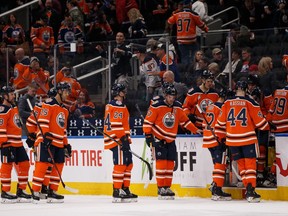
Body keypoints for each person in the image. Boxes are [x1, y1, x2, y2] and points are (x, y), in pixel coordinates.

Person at [215, 81, 270, 203]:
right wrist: (268, 125)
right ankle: (250, 190)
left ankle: (248, 188)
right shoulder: (250, 102)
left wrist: (221, 137)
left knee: (241, 165)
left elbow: (219, 124)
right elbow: (261, 123)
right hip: (247, 138)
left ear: (235, 90)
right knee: (250, 165)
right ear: (246, 90)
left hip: (232, 140)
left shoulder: (227, 103)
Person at [143, 86, 201, 199]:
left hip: (171, 140)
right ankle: (160, 188)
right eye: (170, 96)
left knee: (170, 165)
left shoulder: (178, 107)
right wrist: (148, 135)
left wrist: (195, 129)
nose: (172, 99)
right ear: (165, 96)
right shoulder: (156, 106)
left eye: (173, 97)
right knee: (161, 164)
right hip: (159, 139)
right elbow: (147, 122)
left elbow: (185, 121)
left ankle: (167, 186)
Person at [31, 82, 72, 203]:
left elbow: (63, 129)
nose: (67, 94)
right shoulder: (48, 104)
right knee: (42, 165)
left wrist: (66, 144)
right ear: (59, 91)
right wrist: (46, 136)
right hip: (46, 141)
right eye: (65, 92)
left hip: (59, 142)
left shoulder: (64, 110)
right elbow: (43, 121)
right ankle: (35, 191)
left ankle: (52, 191)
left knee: (58, 166)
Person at [103, 83, 137, 203]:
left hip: (122, 139)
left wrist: (126, 138)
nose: (125, 93)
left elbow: (124, 124)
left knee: (129, 164)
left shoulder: (120, 105)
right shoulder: (116, 105)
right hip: (117, 140)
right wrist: (122, 138)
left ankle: (125, 188)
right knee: (121, 164)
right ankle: (117, 190)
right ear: (118, 93)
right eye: (123, 91)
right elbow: (116, 124)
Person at [0, 86, 32, 203]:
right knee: (7, 165)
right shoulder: (3, 109)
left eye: (14, 93)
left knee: (25, 164)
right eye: (11, 94)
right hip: (8, 143)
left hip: (18, 142)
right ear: (5, 96)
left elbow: (17, 125)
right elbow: (1, 128)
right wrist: (4, 143)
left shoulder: (13, 108)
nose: (14, 96)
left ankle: (21, 190)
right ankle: (5, 191)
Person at [202, 88, 231, 201]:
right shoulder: (222, 108)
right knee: (220, 164)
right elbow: (222, 125)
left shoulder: (210, 106)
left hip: (208, 139)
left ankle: (215, 185)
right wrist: (224, 139)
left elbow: (204, 123)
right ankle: (217, 190)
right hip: (217, 139)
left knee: (217, 165)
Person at [167, 0, 208, 65]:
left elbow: (169, 21)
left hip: (181, 41)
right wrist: (206, 29)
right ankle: (193, 70)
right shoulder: (193, 14)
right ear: (190, 5)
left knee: (184, 57)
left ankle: (186, 72)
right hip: (191, 40)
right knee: (194, 57)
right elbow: (201, 25)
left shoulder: (177, 14)